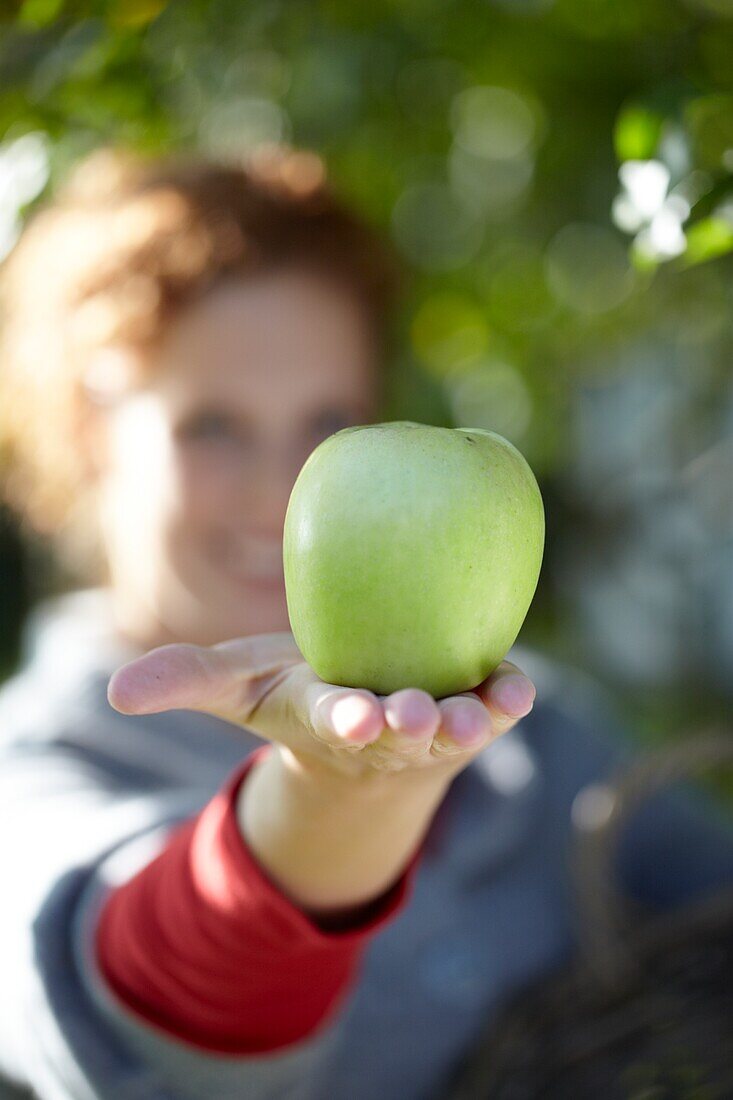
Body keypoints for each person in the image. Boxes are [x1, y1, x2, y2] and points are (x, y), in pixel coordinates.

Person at [0, 145, 731, 1100]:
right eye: (212, 425)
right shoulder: (37, 763)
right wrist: (335, 795)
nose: (277, 491)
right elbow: (136, 991)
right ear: (90, 435)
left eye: (325, 420)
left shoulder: (535, 730)